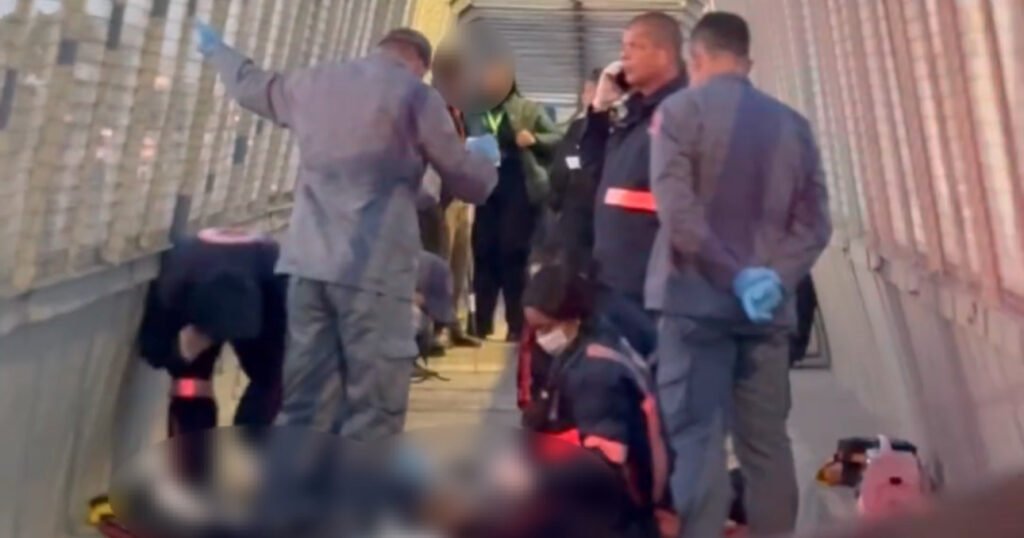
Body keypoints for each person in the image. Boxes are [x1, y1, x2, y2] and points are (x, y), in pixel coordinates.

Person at [193, 22, 499, 441]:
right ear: (420, 64)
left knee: (303, 402)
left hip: (308, 266)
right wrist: (485, 159)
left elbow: (250, 87)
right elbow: (468, 182)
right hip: (375, 273)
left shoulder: (314, 81)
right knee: (373, 406)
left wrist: (218, 51)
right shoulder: (416, 97)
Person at [646, 12, 832, 537]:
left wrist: (732, 275)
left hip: (693, 306)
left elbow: (678, 212)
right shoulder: (792, 125)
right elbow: (815, 223)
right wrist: (772, 278)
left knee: (697, 441)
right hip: (766, 315)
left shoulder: (678, 113)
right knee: (767, 445)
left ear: (697, 58)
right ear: (747, 60)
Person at [517, 261, 677, 538]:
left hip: (623, 509)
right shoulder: (587, 343)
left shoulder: (596, 372)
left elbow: (604, 464)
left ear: (571, 317)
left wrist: (536, 478)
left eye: (545, 329)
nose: (541, 339)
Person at [579, 11, 688, 358]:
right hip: (616, 283)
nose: (623, 56)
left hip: (657, 289)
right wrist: (600, 110)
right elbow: (591, 171)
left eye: (634, 47)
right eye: (623, 47)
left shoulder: (682, 114)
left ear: (664, 54)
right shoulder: (632, 116)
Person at [136, 227, 286, 437]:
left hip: (261, 291)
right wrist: (179, 356)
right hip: (205, 285)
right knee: (189, 383)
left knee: (271, 379)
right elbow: (154, 350)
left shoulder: (274, 282)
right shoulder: (174, 289)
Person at [466, 62, 562, 342]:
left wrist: (534, 139)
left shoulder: (528, 109)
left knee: (513, 253)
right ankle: (481, 323)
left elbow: (558, 138)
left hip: (518, 184)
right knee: (483, 252)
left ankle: (516, 325)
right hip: (485, 186)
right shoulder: (475, 112)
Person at [539, 69, 602, 268]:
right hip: (573, 219)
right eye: (586, 92)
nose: (586, 97)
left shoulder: (604, 131)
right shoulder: (577, 128)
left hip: (590, 221)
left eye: (591, 91)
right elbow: (559, 170)